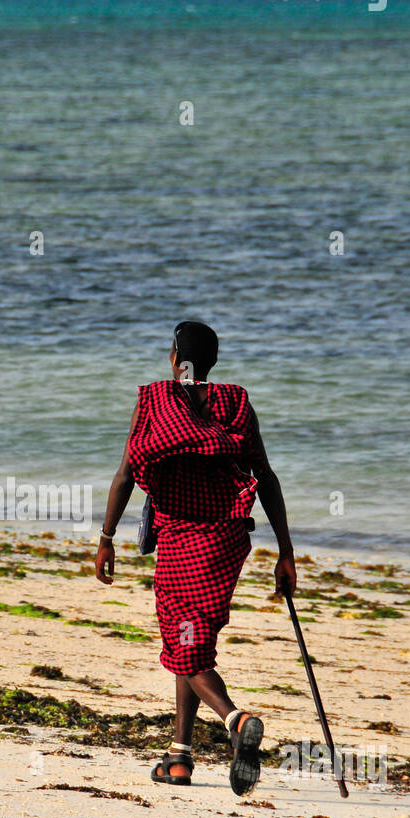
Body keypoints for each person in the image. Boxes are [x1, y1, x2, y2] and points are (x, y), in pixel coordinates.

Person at [94, 320, 296, 794]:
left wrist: (106, 537)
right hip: (227, 542)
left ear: (173, 358)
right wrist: (286, 553)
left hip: (182, 541)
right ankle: (179, 755)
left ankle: (235, 719)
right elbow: (265, 477)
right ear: (213, 363)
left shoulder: (154, 399)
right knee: (192, 643)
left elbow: (126, 474)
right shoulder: (237, 402)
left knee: (183, 645)